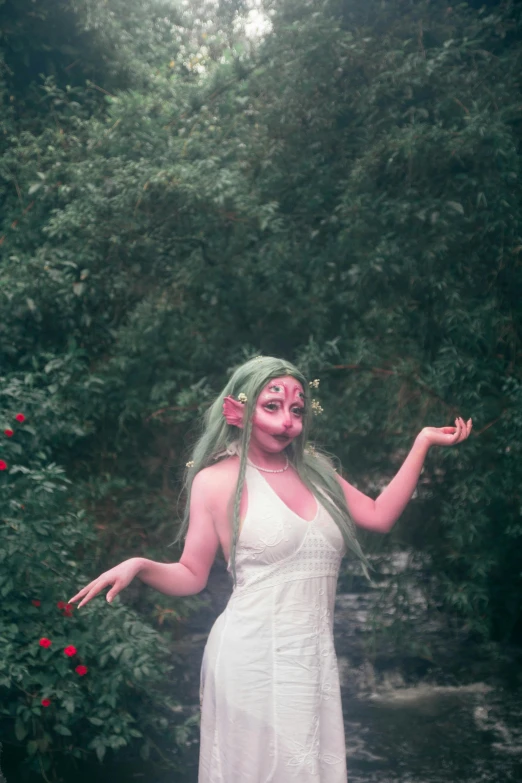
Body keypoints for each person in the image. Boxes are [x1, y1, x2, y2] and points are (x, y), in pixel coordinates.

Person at [69, 355, 472, 782]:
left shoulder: (319, 474)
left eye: (296, 410)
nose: (286, 422)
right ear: (237, 411)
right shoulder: (215, 480)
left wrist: (422, 442)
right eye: (272, 406)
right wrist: (140, 565)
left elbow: (379, 515)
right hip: (249, 661)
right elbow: (191, 575)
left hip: (312, 660)